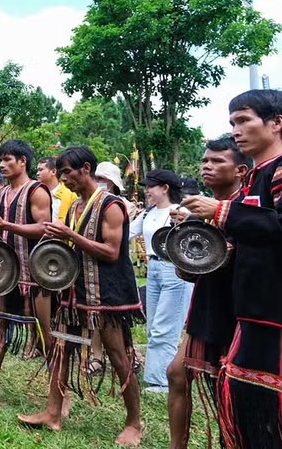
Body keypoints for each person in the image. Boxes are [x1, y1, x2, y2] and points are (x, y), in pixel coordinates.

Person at [18, 146, 143, 447]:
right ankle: (52, 412)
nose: (64, 179)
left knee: (117, 355)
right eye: (60, 174)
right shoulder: (75, 206)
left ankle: (134, 423)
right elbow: (75, 247)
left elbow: (112, 252)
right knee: (61, 349)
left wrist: (70, 236)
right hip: (76, 291)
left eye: (67, 173)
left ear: (86, 169)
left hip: (109, 294)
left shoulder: (111, 205)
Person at [181, 89, 282, 449]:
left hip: (274, 316)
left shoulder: (280, 171)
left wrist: (222, 212)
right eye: (232, 123)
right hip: (251, 312)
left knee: (265, 411)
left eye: (244, 120)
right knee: (243, 406)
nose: (236, 130)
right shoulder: (255, 177)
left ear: (276, 123)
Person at [165, 137, 249, 449]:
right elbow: (187, 273)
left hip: (239, 310)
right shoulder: (200, 213)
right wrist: (181, 242)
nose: (207, 167)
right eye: (205, 161)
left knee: (230, 389)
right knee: (176, 373)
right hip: (207, 305)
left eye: (217, 162)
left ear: (240, 170)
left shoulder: (246, 206)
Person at [0, 139, 52, 406]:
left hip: (36, 274)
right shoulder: (2, 194)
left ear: (22, 162)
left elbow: (44, 228)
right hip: (6, 275)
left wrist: (7, 225)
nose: (2, 165)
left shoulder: (37, 191)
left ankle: (60, 400)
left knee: (46, 335)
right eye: (1, 160)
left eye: (8, 160)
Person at [129, 168, 191, 393]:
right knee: (153, 325)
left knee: (166, 327)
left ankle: (161, 381)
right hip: (153, 269)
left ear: (165, 188)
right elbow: (127, 232)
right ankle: (159, 374)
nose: (147, 192)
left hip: (174, 270)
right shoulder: (148, 213)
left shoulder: (181, 212)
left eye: (150, 187)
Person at [38, 156, 78, 224]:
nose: (37, 173)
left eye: (41, 170)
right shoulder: (37, 193)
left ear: (53, 172)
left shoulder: (70, 195)